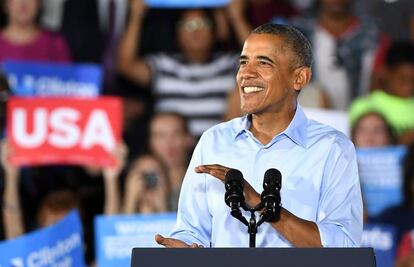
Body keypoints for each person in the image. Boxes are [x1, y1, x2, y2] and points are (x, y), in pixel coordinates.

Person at [155, 23, 363, 248]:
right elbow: (192, 230)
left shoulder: (332, 148)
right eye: (243, 62)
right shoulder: (213, 142)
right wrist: (185, 248)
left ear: (300, 78)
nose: (246, 73)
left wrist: (260, 204)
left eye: (264, 63)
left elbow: (343, 245)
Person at [117, 0, 251, 136]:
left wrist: (237, 18)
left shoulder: (229, 64)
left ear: (214, 31)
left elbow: (261, 61)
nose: (195, 31)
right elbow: (126, 65)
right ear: (176, 34)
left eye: (202, 23)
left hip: (219, 151)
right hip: (171, 153)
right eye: (187, 25)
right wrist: (136, 16)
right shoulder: (163, 65)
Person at [349, 41, 414, 145]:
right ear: (386, 73)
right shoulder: (363, 106)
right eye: (403, 79)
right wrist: (399, 141)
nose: (409, 85)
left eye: (413, 80)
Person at [0, 0, 71, 63]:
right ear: (6, 3)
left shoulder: (55, 44)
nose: (23, 3)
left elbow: (67, 75)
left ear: (39, 3)